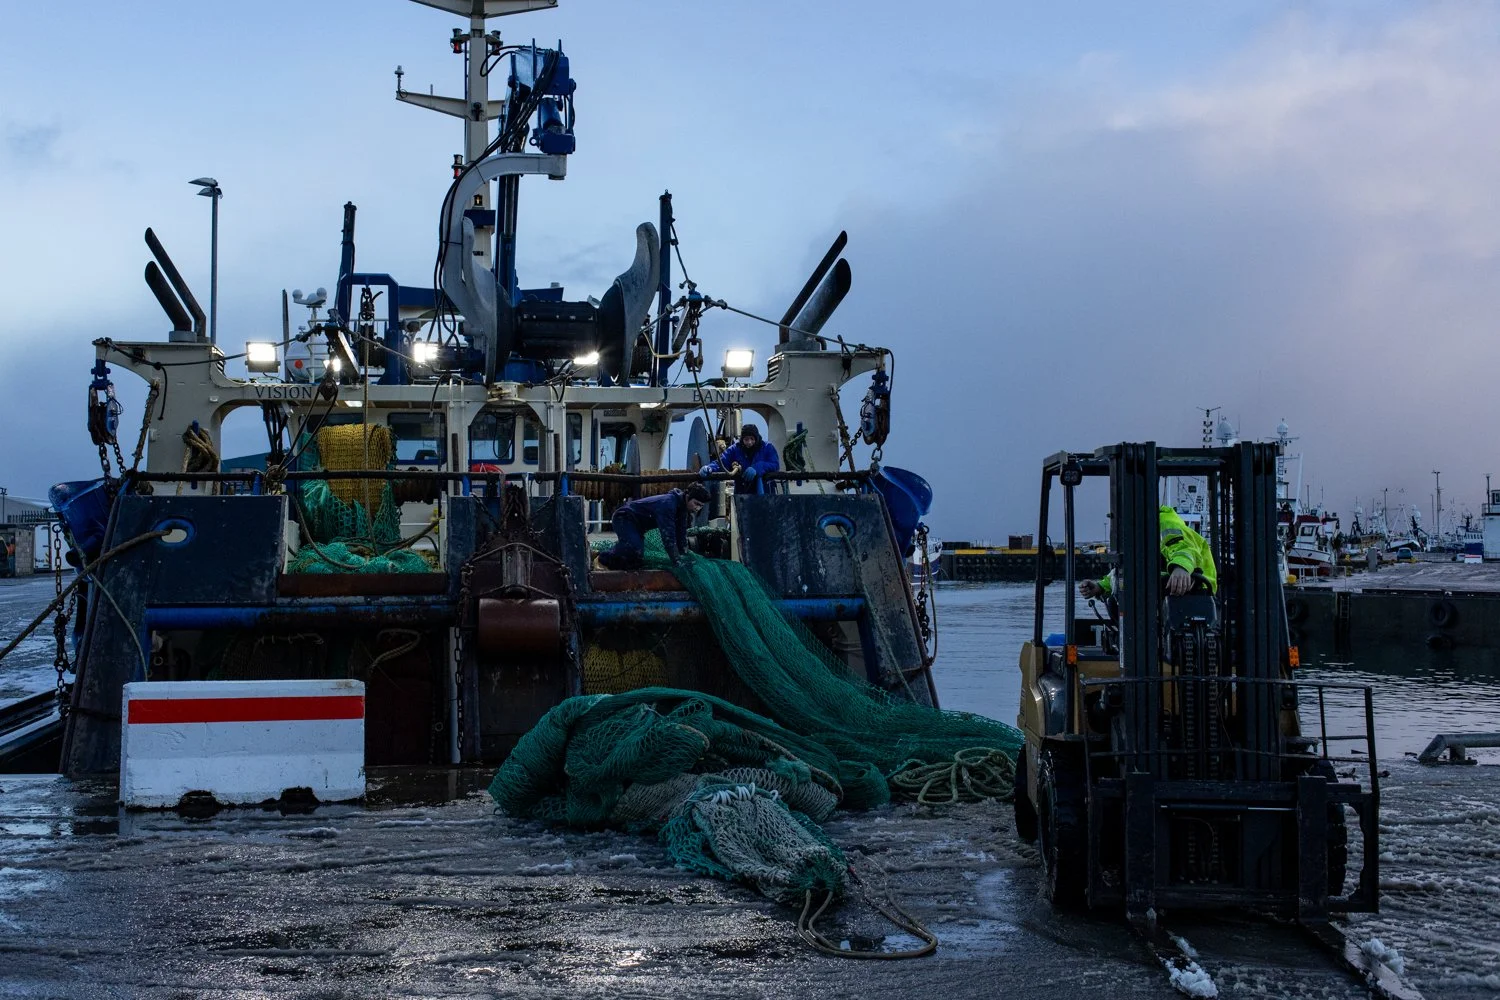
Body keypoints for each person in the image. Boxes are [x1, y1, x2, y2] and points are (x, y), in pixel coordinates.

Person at [1079, 505, 1217, 599]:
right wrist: (1100, 587)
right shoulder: (1140, 531)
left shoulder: (1165, 523)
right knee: (1118, 597)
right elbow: (1130, 569)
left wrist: (1181, 568)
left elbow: (1183, 548)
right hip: (1172, 589)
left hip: (1198, 588)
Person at [598, 482, 709, 571]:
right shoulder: (668, 504)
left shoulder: (683, 510)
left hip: (637, 526)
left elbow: (681, 535)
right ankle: (601, 558)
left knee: (637, 559)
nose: (697, 508)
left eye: (701, 506)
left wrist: (685, 555)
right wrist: (677, 562)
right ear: (688, 496)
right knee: (634, 550)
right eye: (696, 504)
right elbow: (668, 536)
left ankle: (616, 553)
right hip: (624, 518)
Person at [699, 424, 780, 494]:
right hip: (742, 494)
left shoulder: (767, 447)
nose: (749, 442)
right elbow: (722, 462)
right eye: (746, 439)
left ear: (757, 438)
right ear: (742, 439)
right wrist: (710, 468)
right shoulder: (735, 449)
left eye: (752, 439)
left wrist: (757, 468)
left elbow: (775, 465)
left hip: (767, 492)